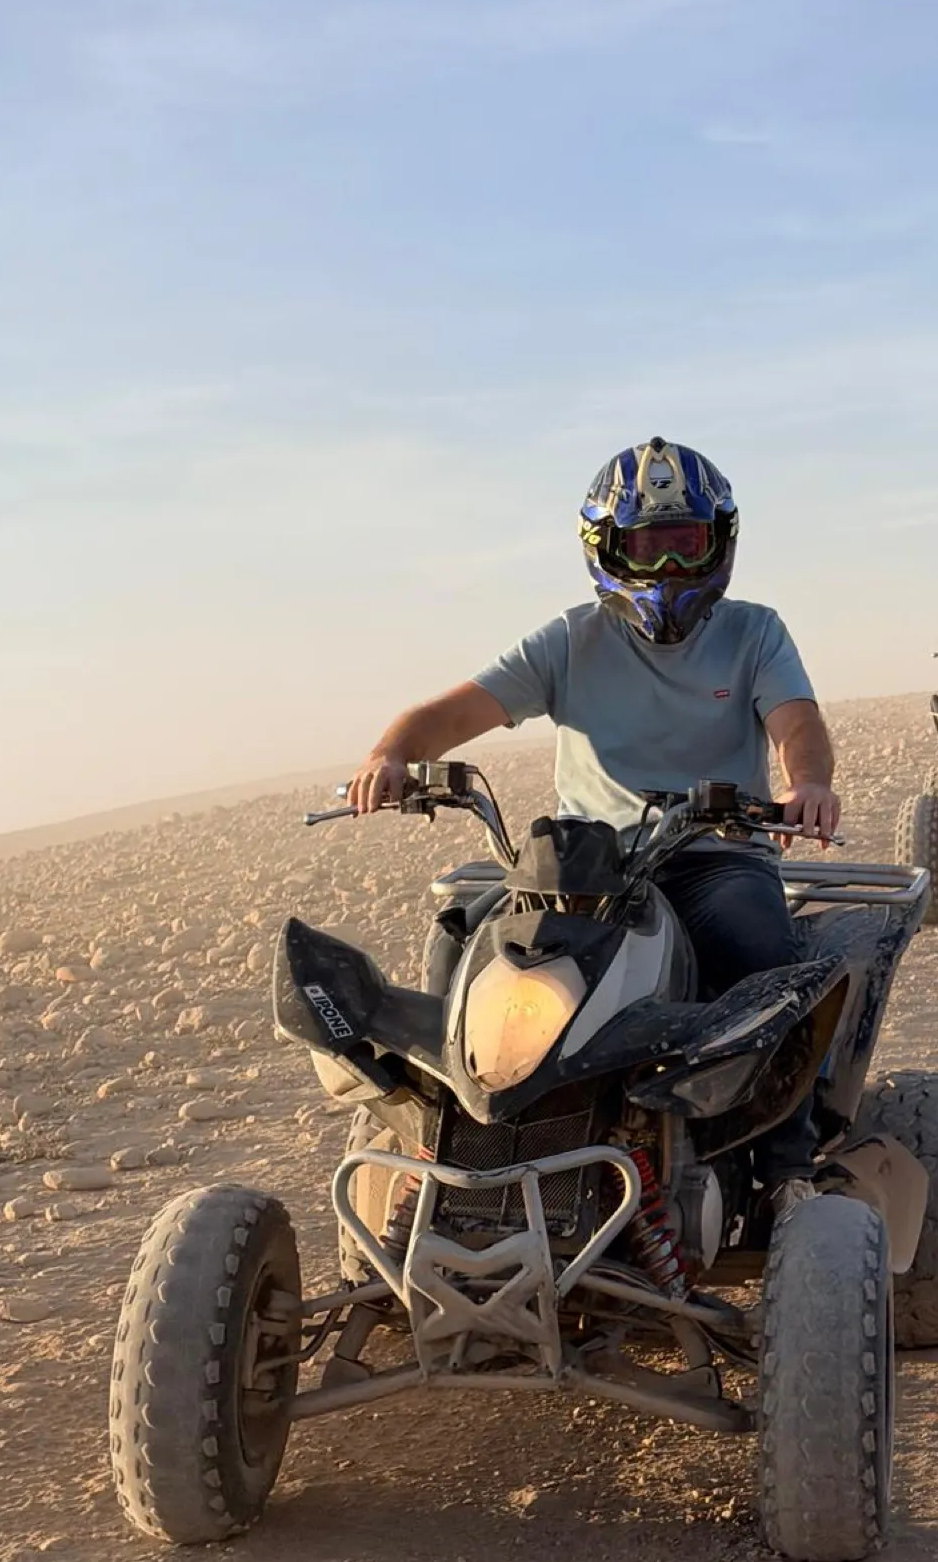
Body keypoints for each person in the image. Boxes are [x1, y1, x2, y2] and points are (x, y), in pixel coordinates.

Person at [346, 435, 838, 1201]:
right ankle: (442, 1154)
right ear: (606, 548)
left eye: (685, 545)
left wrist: (807, 783)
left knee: (760, 947)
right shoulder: (570, 640)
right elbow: (451, 711)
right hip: (585, 864)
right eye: (648, 547)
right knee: (462, 947)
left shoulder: (754, 631)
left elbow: (797, 722)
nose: (669, 569)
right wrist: (391, 754)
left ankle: (784, 1170)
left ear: (719, 545)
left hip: (713, 852)